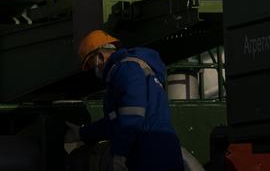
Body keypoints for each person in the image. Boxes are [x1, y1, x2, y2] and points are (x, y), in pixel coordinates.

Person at [70, 29, 184, 171]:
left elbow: (132, 116)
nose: (92, 70)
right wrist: (81, 133)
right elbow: (117, 120)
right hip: (161, 151)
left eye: (90, 64)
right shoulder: (133, 69)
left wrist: (120, 154)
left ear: (99, 56)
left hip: (148, 155)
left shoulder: (125, 69)